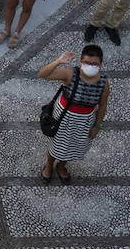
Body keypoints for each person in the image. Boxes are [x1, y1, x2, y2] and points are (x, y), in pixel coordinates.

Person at [37, 46, 110, 183]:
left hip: (85, 121)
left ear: (101, 64)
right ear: (81, 61)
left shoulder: (104, 83)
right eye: (88, 63)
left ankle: (62, 165)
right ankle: (49, 165)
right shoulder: (70, 74)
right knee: (57, 144)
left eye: (95, 64)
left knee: (75, 145)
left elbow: (103, 105)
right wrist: (59, 61)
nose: (91, 66)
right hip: (65, 117)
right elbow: (42, 74)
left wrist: (97, 126)